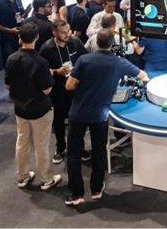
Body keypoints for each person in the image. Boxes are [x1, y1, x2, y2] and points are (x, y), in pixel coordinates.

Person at [64, 29, 148, 206]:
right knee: (99, 151)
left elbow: (69, 86)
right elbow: (142, 75)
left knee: (73, 154)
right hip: (100, 115)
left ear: (96, 42)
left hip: (78, 113)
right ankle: (96, 189)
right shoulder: (119, 62)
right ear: (112, 44)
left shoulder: (84, 60)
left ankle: (76, 194)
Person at [4, 22, 62, 191]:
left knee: (22, 142)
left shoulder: (11, 59)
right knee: (41, 145)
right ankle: (46, 179)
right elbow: (47, 90)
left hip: (20, 109)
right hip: (40, 109)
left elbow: (7, 85)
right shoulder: (41, 62)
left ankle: (22, 177)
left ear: (19, 37)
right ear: (37, 37)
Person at [39, 19, 89, 164]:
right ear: (54, 33)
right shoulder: (46, 48)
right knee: (59, 120)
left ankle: (79, 148)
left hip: (75, 88)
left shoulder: (75, 42)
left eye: (69, 31)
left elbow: (86, 58)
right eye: (63, 32)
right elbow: (42, 70)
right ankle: (60, 147)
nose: (68, 34)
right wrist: (56, 71)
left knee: (78, 120)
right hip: (58, 89)